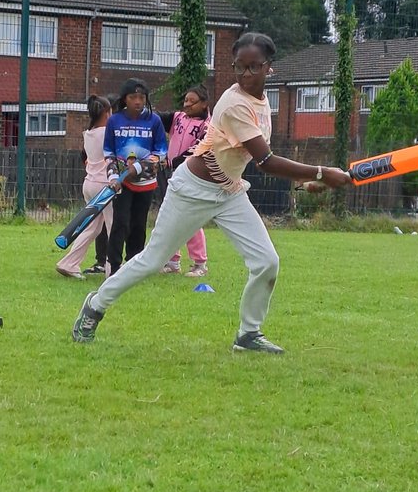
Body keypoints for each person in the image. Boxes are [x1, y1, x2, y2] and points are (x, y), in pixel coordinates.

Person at [73, 32, 351, 354]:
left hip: (229, 191)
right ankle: (95, 305)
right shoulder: (233, 104)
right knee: (152, 260)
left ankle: (248, 334)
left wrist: (307, 182)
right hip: (192, 189)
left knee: (267, 262)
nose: (246, 75)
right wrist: (321, 172)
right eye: (239, 67)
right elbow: (266, 161)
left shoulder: (262, 106)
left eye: (254, 67)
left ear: (268, 67)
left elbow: (257, 155)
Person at [102, 79, 168, 275]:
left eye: (141, 97)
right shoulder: (114, 121)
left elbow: (161, 151)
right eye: (133, 97)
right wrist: (114, 176)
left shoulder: (154, 120)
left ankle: (134, 267)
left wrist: (139, 167)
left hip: (146, 183)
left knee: (138, 225)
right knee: (120, 223)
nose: (138, 101)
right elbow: (108, 151)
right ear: (125, 99)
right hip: (121, 184)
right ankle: (113, 267)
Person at [55, 95, 113, 279]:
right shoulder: (107, 132)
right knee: (113, 226)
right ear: (106, 112)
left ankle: (69, 263)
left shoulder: (88, 133)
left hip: (89, 183)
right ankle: (113, 270)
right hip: (105, 185)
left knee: (93, 228)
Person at [160, 85, 211, 277]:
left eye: (192, 101)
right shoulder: (178, 118)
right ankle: (173, 260)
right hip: (171, 174)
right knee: (171, 216)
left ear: (204, 103)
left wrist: (175, 161)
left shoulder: (207, 126)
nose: (187, 104)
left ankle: (200, 263)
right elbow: (155, 117)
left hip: (192, 176)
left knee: (191, 218)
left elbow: (197, 150)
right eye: (185, 100)